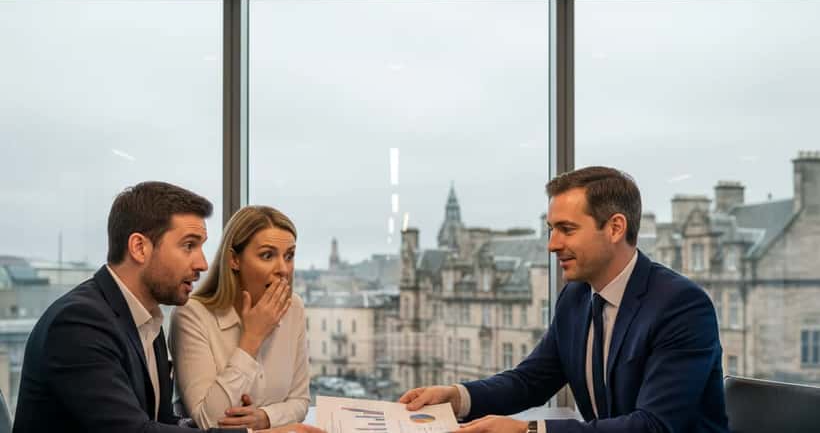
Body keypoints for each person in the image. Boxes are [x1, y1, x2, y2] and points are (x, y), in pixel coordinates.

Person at [400, 167, 729, 433]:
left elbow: (654, 425)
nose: (552, 245)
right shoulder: (576, 296)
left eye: (567, 229)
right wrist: (457, 397)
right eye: (550, 230)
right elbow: (530, 381)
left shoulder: (681, 306)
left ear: (615, 228)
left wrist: (528, 431)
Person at [13, 182, 323, 433]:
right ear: (139, 247)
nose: (202, 263)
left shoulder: (146, 322)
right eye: (189, 246)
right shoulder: (79, 323)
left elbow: (162, 422)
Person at [170, 206, 311, 432]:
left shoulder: (294, 307)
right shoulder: (192, 314)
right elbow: (209, 421)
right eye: (267, 255)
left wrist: (264, 417)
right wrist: (251, 339)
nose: (283, 269)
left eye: (289, 255)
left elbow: (301, 401)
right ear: (234, 260)